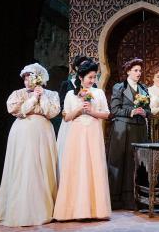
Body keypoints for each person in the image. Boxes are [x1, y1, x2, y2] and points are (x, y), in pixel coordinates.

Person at [0, 63, 60, 226]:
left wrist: (42, 96)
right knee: (24, 167)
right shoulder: (18, 94)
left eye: (30, 76)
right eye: (25, 77)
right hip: (22, 133)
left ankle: (45, 208)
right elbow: (18, 111)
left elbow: (50, 112)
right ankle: (20, 209)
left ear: (39, 78)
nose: (26, 80)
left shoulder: (51, 94)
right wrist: (33, 99)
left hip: (43, 133)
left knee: (43, 167)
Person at [53, 60, 111, 220]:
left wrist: (92, 112)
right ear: (80, 77)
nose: (92, 80)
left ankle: (96, 210)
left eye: (94, 77)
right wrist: (79, 109)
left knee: (93, 167)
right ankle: (74, 210)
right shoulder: (71, 95)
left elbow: (106, 114)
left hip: (93, 132)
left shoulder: (98, 93)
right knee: (77, 168)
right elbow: (66, 117)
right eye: (89, 77)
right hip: (77, 133)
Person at [107, 57, 151, 210]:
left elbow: (149, 110)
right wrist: (131, 111)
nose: (139, 73)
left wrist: (144, 113)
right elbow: (114, 110)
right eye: (135, 70)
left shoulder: (144, 89)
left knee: (136, 164)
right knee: (121, 163)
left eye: (140, 70)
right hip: (123, 129)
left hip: (139, 130)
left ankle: (135, 199)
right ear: (128, 71)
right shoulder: (119, 87)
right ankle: (117, 200)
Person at [56, 54, 93, 180]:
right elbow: (61, 106)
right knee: (69, 154)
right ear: (76, 68)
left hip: (87, 123)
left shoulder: (93, 87)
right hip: (70, 123)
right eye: (83, 66)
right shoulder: (67, 84)